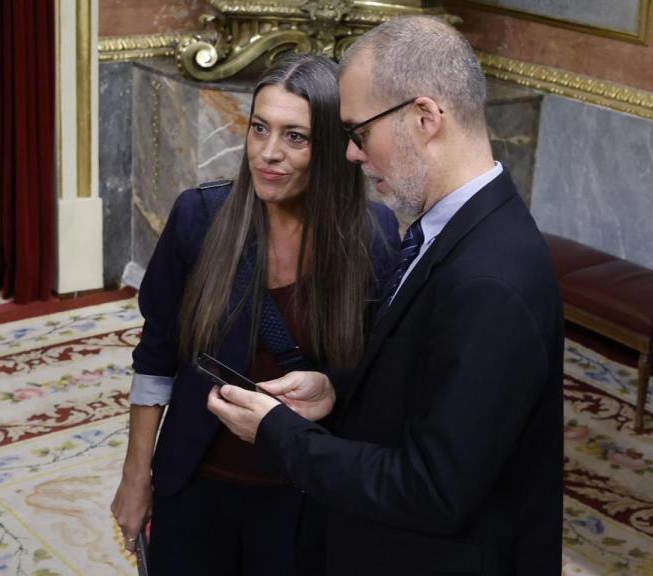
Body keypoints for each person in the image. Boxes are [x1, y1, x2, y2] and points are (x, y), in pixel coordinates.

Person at [208, 16, 564, 576]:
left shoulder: (490, 280)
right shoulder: (451, 227)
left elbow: (433, 489)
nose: (350, 154)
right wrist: (335, 391)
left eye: (358, 131)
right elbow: (428, 378)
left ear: (424, 119)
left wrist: (280, 434)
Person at [110, 53, 399, 575]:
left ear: (333, 148)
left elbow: (376, 374)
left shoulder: (373, 238)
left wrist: (331, 386)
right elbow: (156, 356)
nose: (268, 154)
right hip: (196, 481)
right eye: (259, 128)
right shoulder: (198, 217)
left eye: (296, 137)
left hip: (304, 493)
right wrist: (136, 478)